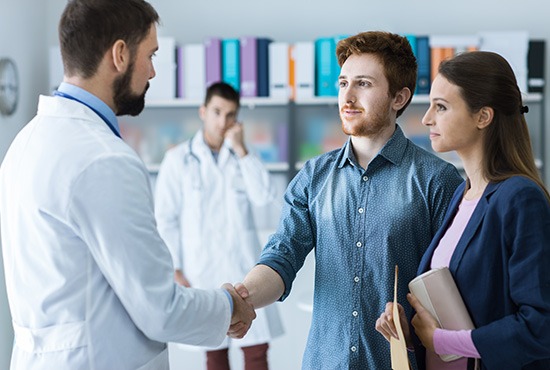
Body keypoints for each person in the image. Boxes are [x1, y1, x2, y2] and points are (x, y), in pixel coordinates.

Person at [0, 1, 256, 369]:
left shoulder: (25, 143)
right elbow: (160, 309)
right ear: (120, 54)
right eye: (150, 55)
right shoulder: (104, 159)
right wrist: (229, 304)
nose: (152, 71)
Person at [233, 31, 463, 369]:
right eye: (343, 83)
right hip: (324, 362)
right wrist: (243, 299)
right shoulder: (313, 177)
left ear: (399, 98)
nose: (348, 97)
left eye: (364, 84)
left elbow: (453, 289)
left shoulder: (437, 180)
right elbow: (282, 255)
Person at [375, 51, 550, 370]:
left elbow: (540, 326)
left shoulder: (520, 198)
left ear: (483, 116)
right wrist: (409, 325)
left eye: (441, 107)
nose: (427, 118)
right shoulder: (461, 194)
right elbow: (462, 308)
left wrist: (441, 340)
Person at [154, 81, 284, 370]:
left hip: (243, 269)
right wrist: (174, 268)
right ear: (203, 111)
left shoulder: (243, 158)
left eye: (230, 115)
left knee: (256, 350)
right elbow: (165, 218)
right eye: (217, 112)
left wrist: (241, 149)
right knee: (214, 351)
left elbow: (265, 197)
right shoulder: (177, 161)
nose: (223, 122)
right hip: (202, 269)